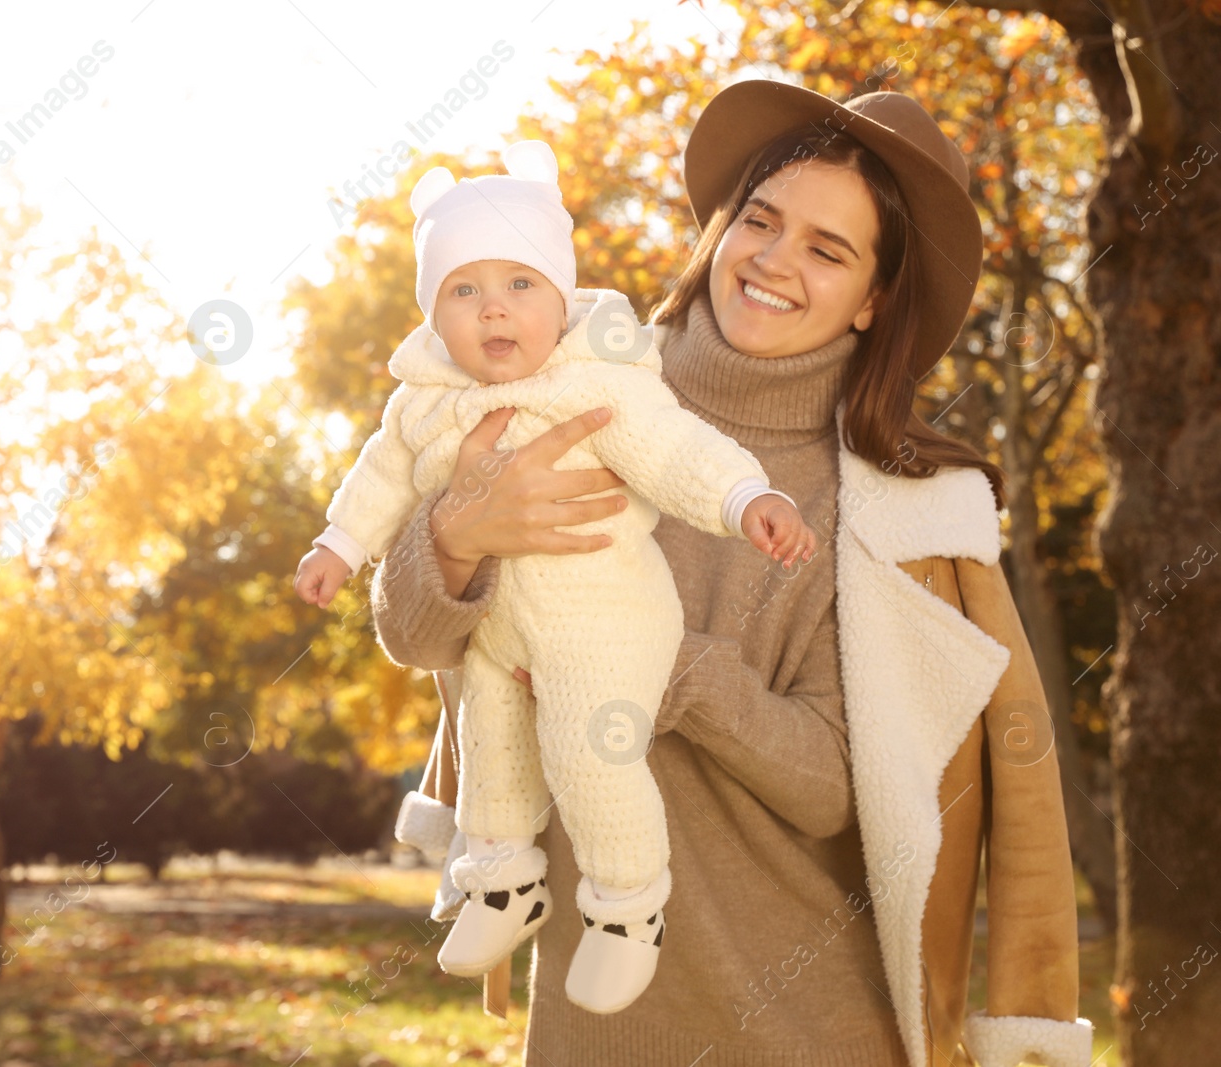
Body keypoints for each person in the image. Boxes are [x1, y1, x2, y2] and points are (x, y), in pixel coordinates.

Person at [381, 81, 1095, 1066]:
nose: (772, 259)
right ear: (719, 229)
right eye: (759, 220)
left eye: (826, 249)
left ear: (873, 299)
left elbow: (843, 787)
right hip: (595, 1023)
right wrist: (455, 537)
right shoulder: (564, 399)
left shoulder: (903, 516)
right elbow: (422, 638)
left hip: (814, 1028)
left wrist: (656, 666)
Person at [293, 138, 817, 1014]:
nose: (494, 310)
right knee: (491, 748)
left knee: (588, 752)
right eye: (465, 291)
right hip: (496, 631)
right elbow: (379, 478)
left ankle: (627, 906)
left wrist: (744, 495)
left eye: (521, 285)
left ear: (562, 297)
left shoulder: (593, 382)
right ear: (433, 313)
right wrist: (337, 545)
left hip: (605, 620)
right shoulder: (420, 402)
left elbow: (671, 447)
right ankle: (503, 884)